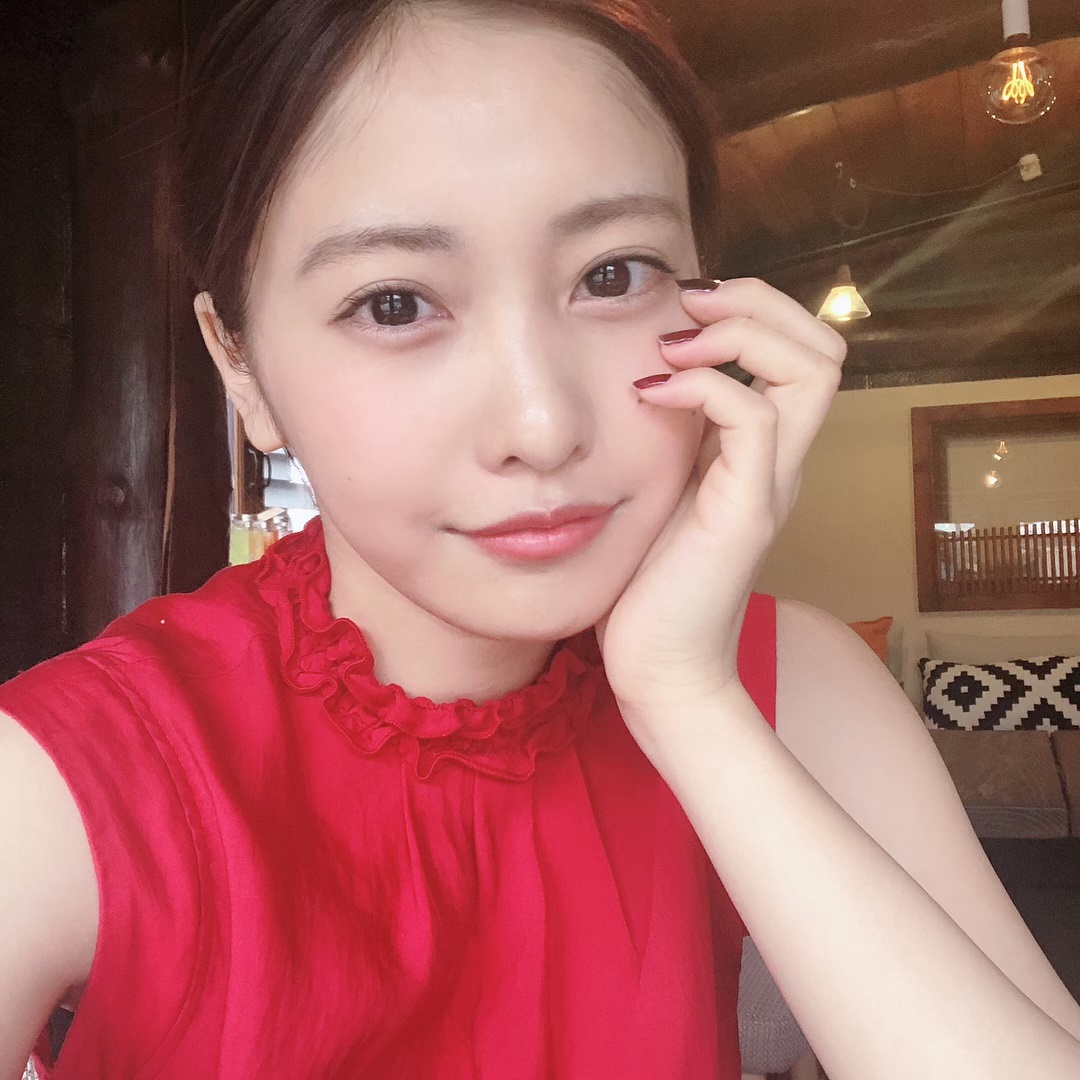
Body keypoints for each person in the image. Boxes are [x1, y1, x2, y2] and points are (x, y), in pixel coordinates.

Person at [1, 1, 1078, 1077]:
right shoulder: (74, 777)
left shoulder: (795, 688)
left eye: (613, 275)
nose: (542, 425)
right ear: (239, 367)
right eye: (393, 304)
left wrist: (686, 698)